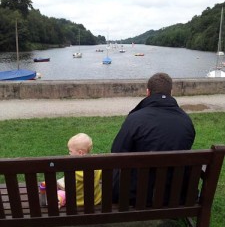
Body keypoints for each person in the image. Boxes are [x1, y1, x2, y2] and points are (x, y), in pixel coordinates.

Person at [111, 72, 196, 204]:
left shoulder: (135, 119)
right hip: (174, 194)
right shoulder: (186, 121)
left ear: (148, 92)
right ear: (171, 92)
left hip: (136, 195)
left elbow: (116, 152)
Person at [57, 133, 102, 206]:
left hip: (77, 203)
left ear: (80, 153)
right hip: (95, 201)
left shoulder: (73, 170)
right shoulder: (97, 165)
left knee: (59, 192)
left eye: (70, 151)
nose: (69, 153)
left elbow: (67, 187)